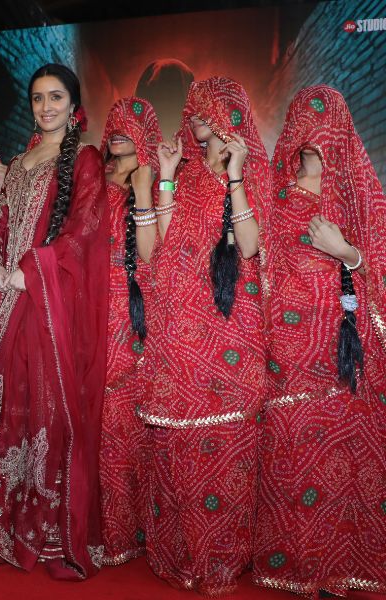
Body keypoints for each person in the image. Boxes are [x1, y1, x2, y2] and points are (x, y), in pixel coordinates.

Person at [0, 63, 109, 580]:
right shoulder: (19, 161)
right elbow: (2, 224)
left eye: (56, 97)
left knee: (37, 404)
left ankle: (37, 531)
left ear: (74, 105)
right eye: (38, 98)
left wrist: (29, 272)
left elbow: (84, 229)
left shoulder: (83, 159)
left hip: (44, 301)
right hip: (5, 298)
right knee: (0, 402)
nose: (46, 107)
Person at [138, 76, 270, 595]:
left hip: (230, 321)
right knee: (180, 440)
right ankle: (184, 551)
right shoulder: (187, 172)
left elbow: (250, 245)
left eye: (206, 111)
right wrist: (168, 177)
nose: (195, 119)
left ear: (229, 117)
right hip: (179, 323)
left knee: (227, 441)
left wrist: (234, 175)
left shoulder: (252, 171)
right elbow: (166, 242)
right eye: (192, 112)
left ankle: (222, 555)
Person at [253, 85, 386, 597]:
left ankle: (337, 565)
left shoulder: (356, 191)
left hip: (343, 343)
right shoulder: (277, 190)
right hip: (286, 343)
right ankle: (297, 564)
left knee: (338, 453)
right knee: (294, 450)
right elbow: (257, 265)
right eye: (303, 120)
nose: (312, 131)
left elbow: (378, 265)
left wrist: (345, 251)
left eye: (323, 120)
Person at [98, 96, 161, 566]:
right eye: (114, 124)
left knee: (128, 413)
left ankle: (135, 526)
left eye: (131, 124)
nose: (120, 129)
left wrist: (141, 192)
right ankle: (99, 526)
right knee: (95, 415)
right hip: (88, 303)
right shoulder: (89, 181)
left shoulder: (159, 181)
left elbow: (151, 254)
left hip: (137, 307)